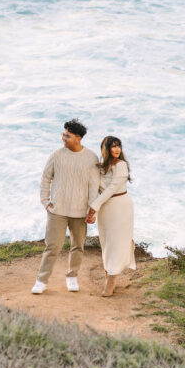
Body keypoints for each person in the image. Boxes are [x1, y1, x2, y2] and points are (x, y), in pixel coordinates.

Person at [31, 118, 100, 295]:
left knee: (78, 246)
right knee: (52, 246)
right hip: (57, 211)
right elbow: (45, 179)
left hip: (80, 212)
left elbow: (94, 186)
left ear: (78, 138)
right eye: (63, 134)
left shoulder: (91, 158)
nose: (63, 138)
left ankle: (72, 277)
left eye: (67, 136)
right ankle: (41, 280)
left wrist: (92, 210)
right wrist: (45, 201)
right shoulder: (56, 156)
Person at [86, 135, 135, 297]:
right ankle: (109, 273)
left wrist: (93, 208)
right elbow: (98, 189)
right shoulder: (101, 167)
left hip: (120, 206)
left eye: (118, 146)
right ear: (106, 149)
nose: (117, 149)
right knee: (106, 243)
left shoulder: (121, 165)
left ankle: (111, 281)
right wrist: (94, 210)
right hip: (105, 208)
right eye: (113, 146)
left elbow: (112, 189)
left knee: (115, 243)